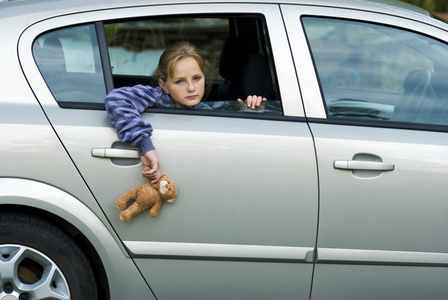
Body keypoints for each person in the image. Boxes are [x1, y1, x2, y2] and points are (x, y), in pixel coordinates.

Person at [105, 42, 267, 183]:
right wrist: (144, 144)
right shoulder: (157, 97)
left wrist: (248, 115)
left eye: (197, 78)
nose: (191, 88)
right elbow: (116, 99)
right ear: (164, 85)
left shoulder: (205, 110)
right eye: (179, 81)